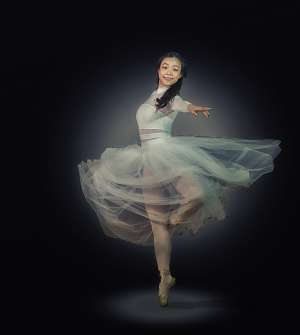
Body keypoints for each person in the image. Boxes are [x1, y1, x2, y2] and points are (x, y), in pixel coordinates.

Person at [78, 52, 281, 307]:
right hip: (146, 164)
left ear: (181, 75)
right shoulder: (151, 97)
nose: (169, 71)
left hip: (168, 158)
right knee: (156, 227)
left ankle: (174, 221)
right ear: (158, 70)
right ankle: (165, 278)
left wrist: (192, 107)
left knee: (196, 197)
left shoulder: (173, 99)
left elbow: (182, 105)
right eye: (165, 67)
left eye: (175, 69)